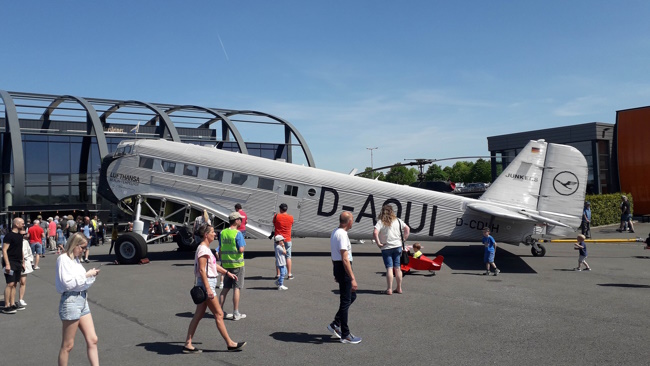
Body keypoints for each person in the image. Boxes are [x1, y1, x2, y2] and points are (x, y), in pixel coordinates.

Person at [183, 224, 246, 353]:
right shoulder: (203, 250)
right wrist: (209, 289)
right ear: (206, 235)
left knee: (198, 315)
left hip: (206, 284)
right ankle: (230, 343)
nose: (215, 234)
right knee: (219, 314)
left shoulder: (205, 248)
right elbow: (201, 269)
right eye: (212, 232)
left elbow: (213, 265)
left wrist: (227, 273)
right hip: (207, 285)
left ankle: (188, 344)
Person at [56, 233, 101, 366]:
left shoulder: (76, 260)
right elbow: (67, 284)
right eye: (82, 247)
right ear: (74, 245)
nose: (83, 250)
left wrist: (91, 275)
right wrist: (87, 274)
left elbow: (82, 283)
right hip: (71, 301)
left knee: (93, 339)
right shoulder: (63, 259)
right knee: (68, 345)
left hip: (81, 298)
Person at [327, 211, 361, 344]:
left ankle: (335, 323)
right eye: (352, 220)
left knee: (351, 297)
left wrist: (336, 271)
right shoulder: (342, 234)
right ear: (349, 221)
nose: (353, 222)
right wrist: (352, 278)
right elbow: (345, 258)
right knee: (346, 300)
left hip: (338, 267)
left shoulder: (335, 232)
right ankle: (345, 334)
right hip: (343, 267)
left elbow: (333, 253)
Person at [372, 204, 410, 295]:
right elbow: (407, 229)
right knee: (397, 268)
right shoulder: (398, 221)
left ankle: (389, 289)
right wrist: (403, 239)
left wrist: (379, 243)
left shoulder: (381, 222)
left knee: (389, 267)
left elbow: (375, 233)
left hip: (386, 247)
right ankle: (399, 288)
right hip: (397, 246)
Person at [219, 212, 247, 321]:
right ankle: (236, 312)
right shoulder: (238, 233)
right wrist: (243, 248)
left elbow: (220, 247)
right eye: (240, 219)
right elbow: (241, 249)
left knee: (225, 288)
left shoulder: (223, 233)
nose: (241, 221)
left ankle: (219, 311)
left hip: (226, 264)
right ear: (236, 221)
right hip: (237, 264)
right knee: (237, 287)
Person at [3, 218, 25, 314]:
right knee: (10, 283)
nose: (23, 224)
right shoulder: (9, 236)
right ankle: (6, 305)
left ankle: (12, 304)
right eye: (22, 223)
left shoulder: (20, 236)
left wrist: (23, 261)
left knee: (15, 283)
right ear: (16, 224)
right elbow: (4, 250)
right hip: (10, 261)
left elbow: (20, 249)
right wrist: (7, 264)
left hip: (18, 262)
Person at [273, 203, 295, 279]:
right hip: (287, 239)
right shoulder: (291, 217)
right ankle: (289, 274)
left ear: (280, 209)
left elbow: (274, 223)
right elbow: (292, 224)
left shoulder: (276, 216)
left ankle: (278, 274)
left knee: (278, 256)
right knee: (288, 257)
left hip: (278, 239)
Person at [18, 233, 34, 307]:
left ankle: (21, 299)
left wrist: (31, 260)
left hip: (25, 261)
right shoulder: (12, 240)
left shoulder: (25, 242)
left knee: (23, 281)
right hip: (15, 261)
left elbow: (29, 251)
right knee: (12, 283)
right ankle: (9, 301)